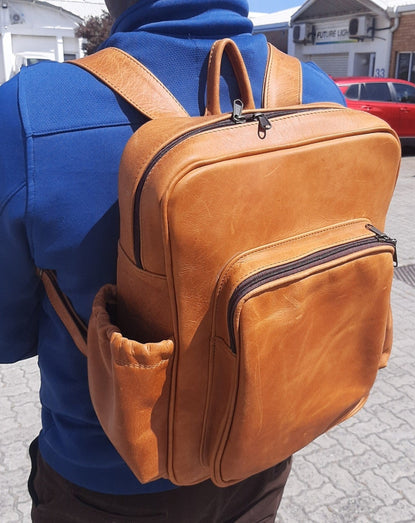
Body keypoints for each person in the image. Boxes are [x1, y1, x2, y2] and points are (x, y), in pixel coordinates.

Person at [0, 1, 346, 521]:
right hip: (264, 449)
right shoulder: (320, 93)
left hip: (104, 485)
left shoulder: (30, 110)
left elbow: (9, 337)